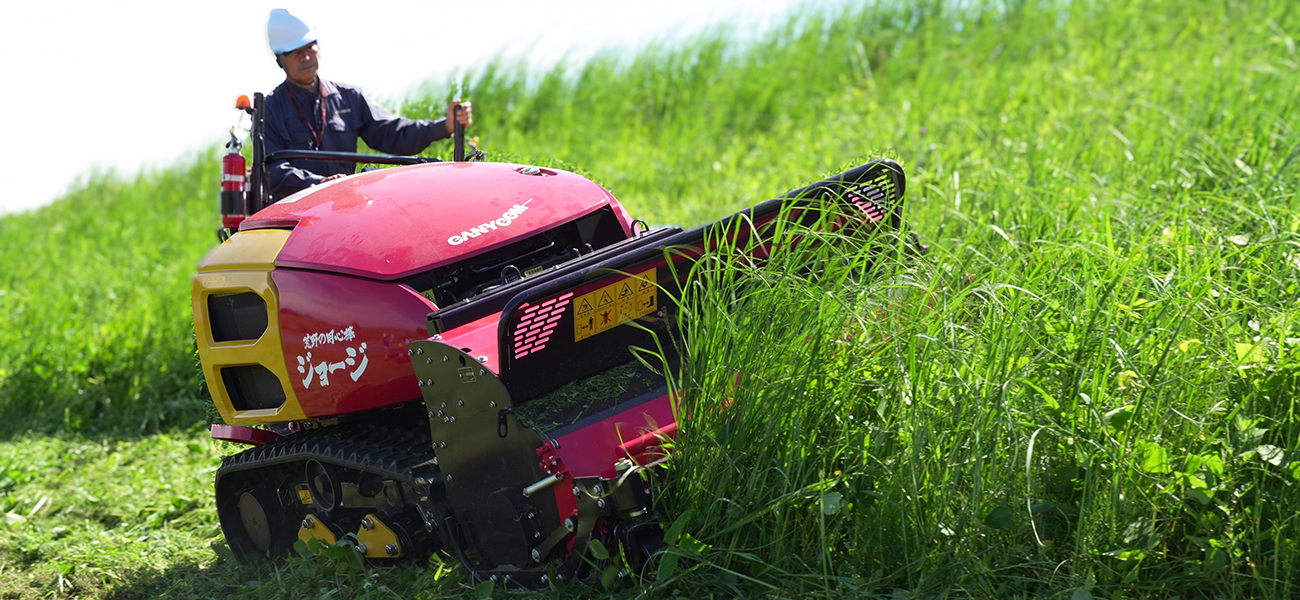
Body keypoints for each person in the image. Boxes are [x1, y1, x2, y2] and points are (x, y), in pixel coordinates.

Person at [263, 9, 473, 200]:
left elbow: (393, 134)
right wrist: (316, 184)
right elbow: (273, 171)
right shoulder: (269, 108)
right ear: (280, 60)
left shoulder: (349, 97)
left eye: (310, 47)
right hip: (294, 215)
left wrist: (444, 126)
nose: (307, 57)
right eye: (296, 52)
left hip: (342, 207)